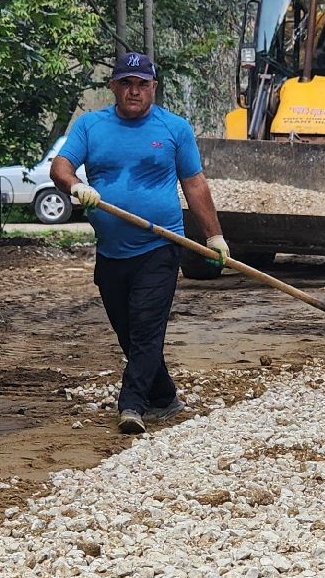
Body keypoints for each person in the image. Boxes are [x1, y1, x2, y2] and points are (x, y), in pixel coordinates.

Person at [51, 52, 228, 435]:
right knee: (129, 333)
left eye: (142, 84)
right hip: (111, 253)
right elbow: (60, 167)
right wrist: (77, 185)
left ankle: (132, 404)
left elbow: (194, 184)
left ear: (153, 88)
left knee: (147, 328)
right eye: (126, 83)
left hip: (158, 247)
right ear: (113, 86)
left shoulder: (174, 129)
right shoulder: (90, 126)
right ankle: (164, 397)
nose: (134, 91)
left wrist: (214, 235)